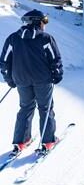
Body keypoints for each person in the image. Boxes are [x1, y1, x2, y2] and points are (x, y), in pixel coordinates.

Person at [0, 9, 63, 155]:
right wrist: (57, 75)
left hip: (21, 80)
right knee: (45, 108)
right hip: (43, 80)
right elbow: (55, 59)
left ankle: (21, 141)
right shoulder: (46, 38)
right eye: (43, 21)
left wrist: (10, 79)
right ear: (37, 22)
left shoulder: (13, 39)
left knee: (26, 108)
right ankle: (48, 141)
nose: (44, 25)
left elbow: (4, 62)